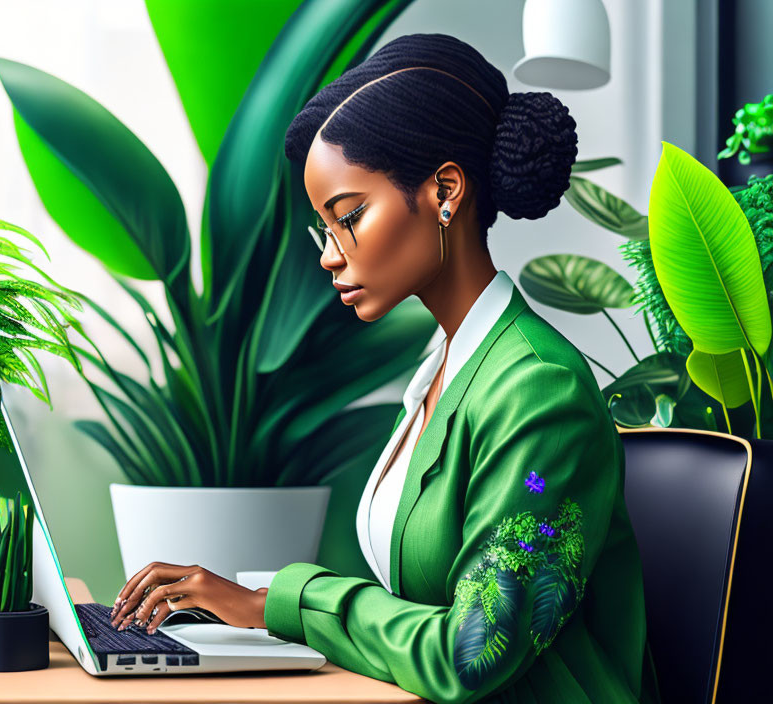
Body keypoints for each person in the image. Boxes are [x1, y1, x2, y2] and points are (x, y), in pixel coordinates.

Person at [109, 32, 663, 704]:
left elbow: (472, 653)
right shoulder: (443, 369)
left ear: (445, 192)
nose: (329, 256)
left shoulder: (540, 390)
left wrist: (277, 602)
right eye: (323, 229)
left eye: (349, 217)